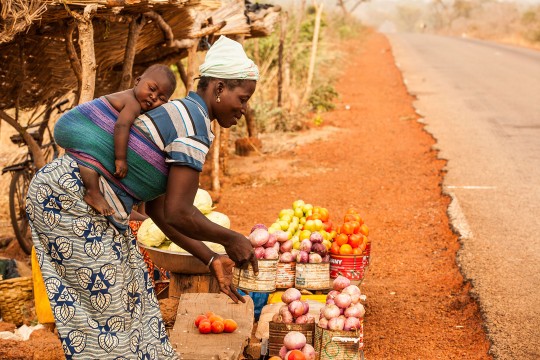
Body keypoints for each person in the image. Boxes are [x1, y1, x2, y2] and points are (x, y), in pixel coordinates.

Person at [27, 35, 259, 359]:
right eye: (243, 97)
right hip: (69, 200)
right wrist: (232, 240)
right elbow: (179, 212)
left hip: (97, 206)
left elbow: (161, 211)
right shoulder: (194, 125)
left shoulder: (185, 115)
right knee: (108, 317)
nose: (244, 109)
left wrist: (211, 258)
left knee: (137, 297)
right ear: (219, 89)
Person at [57, 64, 176, 216]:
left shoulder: (137, 104)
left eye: (161, 98)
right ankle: (92, 192)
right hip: (75, 125)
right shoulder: (132, 102)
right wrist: (121, 159)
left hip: (74, 126)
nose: (154, 97)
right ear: (137, 81)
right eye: (152, 89)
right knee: (92, 154)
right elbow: (121, 126)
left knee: (96, 151)